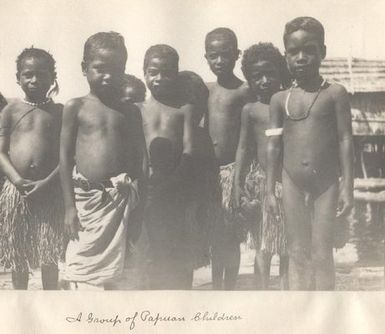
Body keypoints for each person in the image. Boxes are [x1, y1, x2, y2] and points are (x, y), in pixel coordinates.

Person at [267, 17, 354, 290]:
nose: (301, 57)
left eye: (309, 50)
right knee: (296, 250)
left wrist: (347, 187)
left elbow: (345, 140)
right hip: (291, 181)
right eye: (294, 52)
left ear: (323, 52)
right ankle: (299, 314)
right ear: (286, 56)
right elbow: (273, 146)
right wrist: (269, 190)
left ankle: (325, 315)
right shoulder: (280, 99)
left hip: (326, 183)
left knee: (321, 252)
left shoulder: (335, 94)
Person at [60, 32, 145, 290]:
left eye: (116, 69)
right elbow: (64, 158)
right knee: (80, 266)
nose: (108, 76)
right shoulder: (75, 107)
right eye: (100, 68)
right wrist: (69, 207)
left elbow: (140, 161)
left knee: (116, 274)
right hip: (87, 203)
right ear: (84, 68)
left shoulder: (129, 111)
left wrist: (139, 206)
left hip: (119, 202)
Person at [0, 47, 64, 290]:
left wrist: (47, 182)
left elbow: (68, 156)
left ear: (52, 77)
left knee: (49, 252)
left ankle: (51, 301)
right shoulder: (10, 111)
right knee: (19, 254)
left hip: (50, 190)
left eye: (41, 74)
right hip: (17, 192)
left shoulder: (59, 112)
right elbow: (1, 151)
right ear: (18, 78)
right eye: (28, 74)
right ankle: (20, 302)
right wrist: (16, 179)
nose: (34, 80)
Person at [234, 43, 290, 290]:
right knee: (263, 245)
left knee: (287, 245)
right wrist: (237, 184)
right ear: (249, 79)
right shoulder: (251, 110)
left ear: (281, 72)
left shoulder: (290, 103)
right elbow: (244, 148)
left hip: (288, 184)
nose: (265, 81)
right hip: (261, 184)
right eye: (257, 76)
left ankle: (288, 295)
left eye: (270, 74)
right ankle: (261, 295)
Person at [139, 45, 196, 289]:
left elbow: (189, 149)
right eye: (153, 72)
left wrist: (173, 183)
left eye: (167, 73)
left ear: (176, 74)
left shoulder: (184, 110)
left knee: (179, 248)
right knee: (149, 248)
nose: (159, 78)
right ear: (144, 73)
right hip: (146, 188)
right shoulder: (137, 109)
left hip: (177, 188)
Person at [204, 27, 249, 290]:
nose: (219, 61)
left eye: (225, 55)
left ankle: (230, 288)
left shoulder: (244, 91)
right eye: (213, 56)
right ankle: (215, 286)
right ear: (206, 58)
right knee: (214, 233)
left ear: (236, 55)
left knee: (231, 235)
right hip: (209, 173)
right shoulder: (205, 90)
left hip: (233, 171)